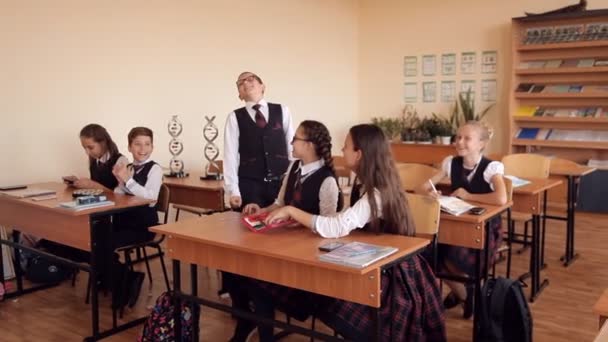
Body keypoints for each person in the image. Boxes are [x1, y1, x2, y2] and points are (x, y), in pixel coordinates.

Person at [232, 124, 445, 342]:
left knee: (323, 292)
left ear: (359, 154)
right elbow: (342, 219)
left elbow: (338, 227)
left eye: (345, 147)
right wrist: (303, 220)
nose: (341, 151)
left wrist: (292, 211)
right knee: (281, 280)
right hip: (370, 258)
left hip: (392, 274)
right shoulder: (362, 182)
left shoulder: (379, 192)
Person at [228, 120, 343, 341]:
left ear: (309, 145)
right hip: (281, 244)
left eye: (296, 138)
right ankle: (247, 319)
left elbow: (328, 228)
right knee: (234, 269)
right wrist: (260, 210)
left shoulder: (327, 180)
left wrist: (294, 218)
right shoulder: (293, 167)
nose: (290, 142)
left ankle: (260, 330)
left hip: (304, 256)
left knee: (256, 279)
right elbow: (280, 203)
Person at [419, 120, 507, 319]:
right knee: (429, 254)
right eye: (458, 137)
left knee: (451, 255)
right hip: (455, 224)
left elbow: (501, 198)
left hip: (484, 230)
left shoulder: (491, 167)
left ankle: (466, 294)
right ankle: (466, 296)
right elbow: (423, 187)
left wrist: (468, 196)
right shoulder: (451, 163)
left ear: (481, 144)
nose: (459, 142)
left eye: (467, 138)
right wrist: (430, 194)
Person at [223, 71, 295, 211]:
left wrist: (293, 182)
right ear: (240, 95)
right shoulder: (234, 118)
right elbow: (230, 156)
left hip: (280, 186)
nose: (245, 83)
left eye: (250, 79)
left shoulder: (283, 111)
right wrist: (233, 191)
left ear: (262, 86)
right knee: (248, 229)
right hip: (250, 188)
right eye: (240, 83)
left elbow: (292, 149)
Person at [111, 126, 163, 308]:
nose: (143, 149)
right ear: (129, 147)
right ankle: (124, 278)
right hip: (124, 222)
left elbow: (150, 198)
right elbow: (120, 194)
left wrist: (128, 181)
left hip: (143, 226)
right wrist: (120, 182)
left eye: (147, 144)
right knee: (95, 240)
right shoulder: (129, 168)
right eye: (137, 144)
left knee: (105, 244)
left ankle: (125, 281)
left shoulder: (155, 169)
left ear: (153, 147)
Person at [72, 123, 129, 191]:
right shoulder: (94, 161)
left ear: (103, 143)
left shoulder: (120, 161)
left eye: (91, 147)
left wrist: (93, 185)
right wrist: (78, 183)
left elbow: (124, 196)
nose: (87, 153)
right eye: (84, 148)